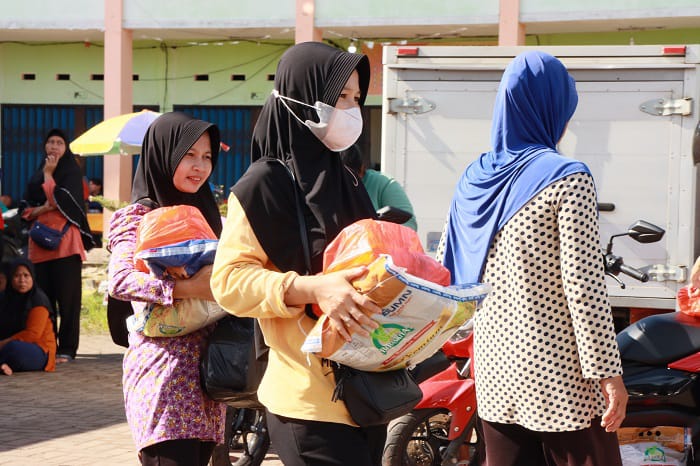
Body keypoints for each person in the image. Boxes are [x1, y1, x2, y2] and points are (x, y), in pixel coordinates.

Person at [439, 51, 627, 466]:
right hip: (562, 376)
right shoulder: (567, 176)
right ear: (553, 107)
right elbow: (584, 287)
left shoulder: (473, 178)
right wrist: (610, 375)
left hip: (495, 369)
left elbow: (449, 266)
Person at [211, 42, 386, 466]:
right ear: (302, 99)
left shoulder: (346, 178)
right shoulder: (263, 184)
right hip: (307, 401)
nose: (351, 109)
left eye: (356, 99)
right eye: (339, 97)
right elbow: (229, 282)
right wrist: (312, 287)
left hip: (369, 395)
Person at [107, 112, 225, 466]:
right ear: (164, 154)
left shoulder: (207, 215)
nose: (199, 166)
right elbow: (121, 281)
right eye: (188, 155)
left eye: (207, 157)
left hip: (208, 378)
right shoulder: (138, 217)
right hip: (165, 376)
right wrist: (187, 287)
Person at [22, 128, 95, 363]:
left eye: (59, 143)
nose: (54, 146)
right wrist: (43, 207)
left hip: (65, 244)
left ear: (66, 148)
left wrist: (49, 176)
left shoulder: (72, 173)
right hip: (40, 246)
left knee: (68, 299)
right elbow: (26, 208)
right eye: (50, 142)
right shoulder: (37, 171)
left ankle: (68, 348)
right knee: (45, 298)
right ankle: (48, 344)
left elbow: (59, 201)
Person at [340, 143, 418, 230]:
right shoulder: (324, 189)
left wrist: (376, 229)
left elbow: (409, 226)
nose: (345, 188)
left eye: (351, 181)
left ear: (362, 169)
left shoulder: (383, 184)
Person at [0, 258, 56, 375]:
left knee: (14, 349)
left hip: (38, 350)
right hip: (6, 345)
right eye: (17, 276)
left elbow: (33, 334)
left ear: (32, 277)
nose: (22, 280)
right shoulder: (5, 298)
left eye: (26, 275)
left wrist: (4, 343)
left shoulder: (38, 300)